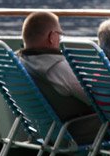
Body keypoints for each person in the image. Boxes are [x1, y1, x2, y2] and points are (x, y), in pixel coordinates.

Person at [16, 11, 100, 142]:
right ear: (52, 36)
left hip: (45, 130)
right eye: (59, 34)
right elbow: (95, 99)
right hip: (78, 130)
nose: (60, 38)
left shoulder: (21, 63)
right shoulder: (56, 67)